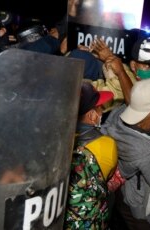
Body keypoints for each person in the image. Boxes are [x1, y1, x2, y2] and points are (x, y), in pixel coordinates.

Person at [101, 78, 150, 229]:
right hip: (139, 211)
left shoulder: (118, 114)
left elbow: (148, 130)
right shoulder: (146, 151)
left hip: (121, 194)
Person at [64, 82, 117, 229]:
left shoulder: (56, 139)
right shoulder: (106, 144)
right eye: (100, 109)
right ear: (92, 115)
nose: (102, 113)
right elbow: (108, 177)